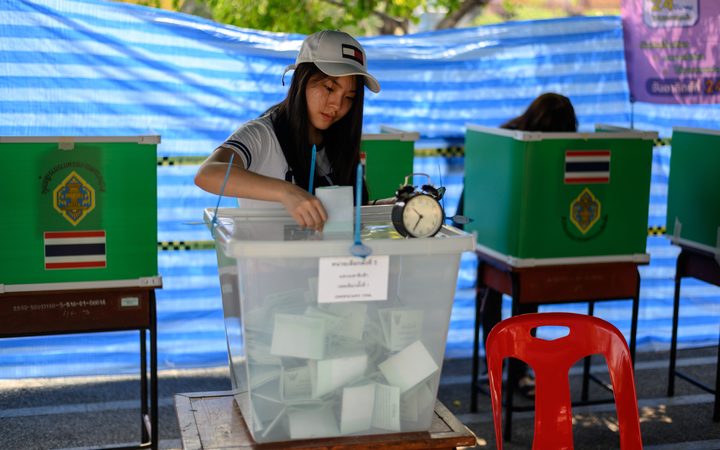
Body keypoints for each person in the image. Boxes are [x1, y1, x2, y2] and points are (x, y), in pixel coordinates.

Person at [195, 30, 380, 231]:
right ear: (302, 79)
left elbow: (342, 219)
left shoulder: (338, 145)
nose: (336, 105)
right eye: (329, 88)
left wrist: (388, 208)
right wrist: (287, 192)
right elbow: (208, 174)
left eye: (349, 97)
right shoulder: (262, 135)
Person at [469, 92, 578, 397]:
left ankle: (516, 369)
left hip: (520, 236)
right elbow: (481, 186)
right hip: (493, 233)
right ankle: (500, 366)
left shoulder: (541, 144)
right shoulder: (509, 139)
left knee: (523, 300)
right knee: (496, 299)